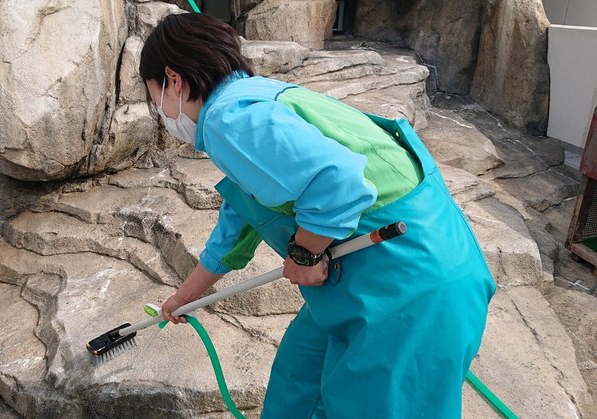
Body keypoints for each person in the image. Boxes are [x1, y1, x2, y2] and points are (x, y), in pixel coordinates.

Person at [140, 12, 495, 419]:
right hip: (383, 269)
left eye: (154, 95)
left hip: (409, 283)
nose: (160, 111)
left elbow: (341, 182)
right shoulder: (250, 101)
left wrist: (305, 254)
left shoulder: (227, 119)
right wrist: (185, 298)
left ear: (173, 79)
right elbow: (236, 223)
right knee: (297, 382)